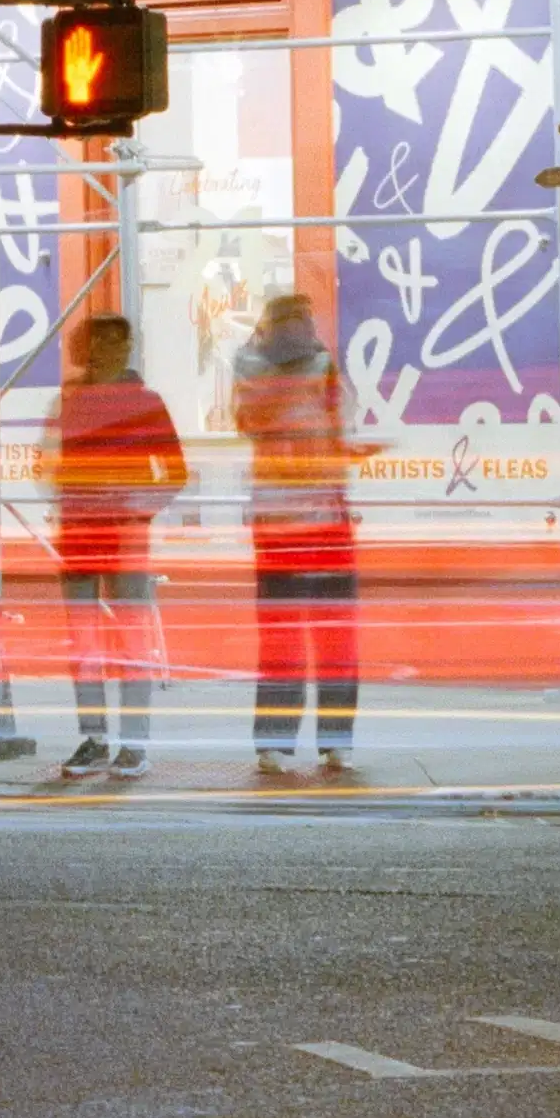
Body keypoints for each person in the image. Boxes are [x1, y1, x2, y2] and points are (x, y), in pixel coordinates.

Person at [43, 313, 188, 783]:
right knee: (87, 642)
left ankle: (131, 743)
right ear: (90, 347)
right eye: (105, 341)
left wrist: (136, 509)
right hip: (86, 533)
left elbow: (175, 470)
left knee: (128, 640)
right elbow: (51, 463)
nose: (115, 349)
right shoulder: (70, 400)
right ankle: (97, 738)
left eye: (122, 341)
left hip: (118, 535)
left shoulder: (144, 402)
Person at [233, 290, 361, 781]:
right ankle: (336, 743)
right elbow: (341, 422)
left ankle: (277, 743)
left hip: (278, 517)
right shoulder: (322, 364)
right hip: (321, 516)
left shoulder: (249, 365)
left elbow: (248, 423)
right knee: (334, 636)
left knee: (283, 635)